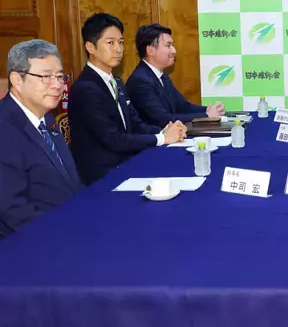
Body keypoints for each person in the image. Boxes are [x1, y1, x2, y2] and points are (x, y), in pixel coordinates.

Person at [69, 13, 186, 185]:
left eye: (121, 42)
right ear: (90, 47)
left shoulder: (116, 82)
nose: (118, 49)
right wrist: (162, 138)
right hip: (103, 175)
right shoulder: (85, 88)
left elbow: (135, 124)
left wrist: (164, 131)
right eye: (110, 43)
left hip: (126, 162)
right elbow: (113, 139)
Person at [0, 40, 82, 238]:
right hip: (31, 240)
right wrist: (64, 231)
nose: (57, 85)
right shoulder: (4, 126)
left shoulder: (46, 117)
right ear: (17, 80)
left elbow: (70, 180)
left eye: (60, 76)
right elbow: (13, 210)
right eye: (46, 77)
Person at [126, 24, 225, 127]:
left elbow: (183, 107)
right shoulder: (140, 81)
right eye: (168, 45)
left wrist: (208, 110)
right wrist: (207, 115)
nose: (174, 51)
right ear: (150, 50)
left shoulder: (163, 77)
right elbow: (163, 120)